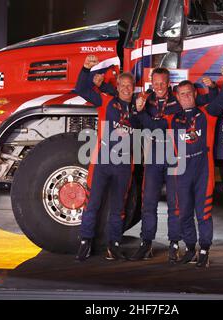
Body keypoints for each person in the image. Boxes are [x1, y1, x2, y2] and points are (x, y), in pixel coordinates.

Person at [136, 66, 223, 268]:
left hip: (202, 170)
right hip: (181, 170)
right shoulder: (172, 119)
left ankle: (204, 249)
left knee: (203, 211)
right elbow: (152, 126)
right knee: (184, 211)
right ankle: (189, 247)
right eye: (182, 94)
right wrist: (139, 111)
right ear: (177, 98)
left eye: (189, 93)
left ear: (195, 95)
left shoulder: (207, 113)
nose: (186, 97)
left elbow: (222, 100)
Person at [74, 55, 140, 261]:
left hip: (124, 165)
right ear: (118, 86)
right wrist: (85, 69)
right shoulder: (106, 101)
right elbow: (82, 90)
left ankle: (115, 244)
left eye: (129, 86)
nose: (126, 89)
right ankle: (85, 242)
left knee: (118, 207)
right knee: (92, 203)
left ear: (133, 87)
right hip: (102, 162)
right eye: (123, 85)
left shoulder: (139, 108)